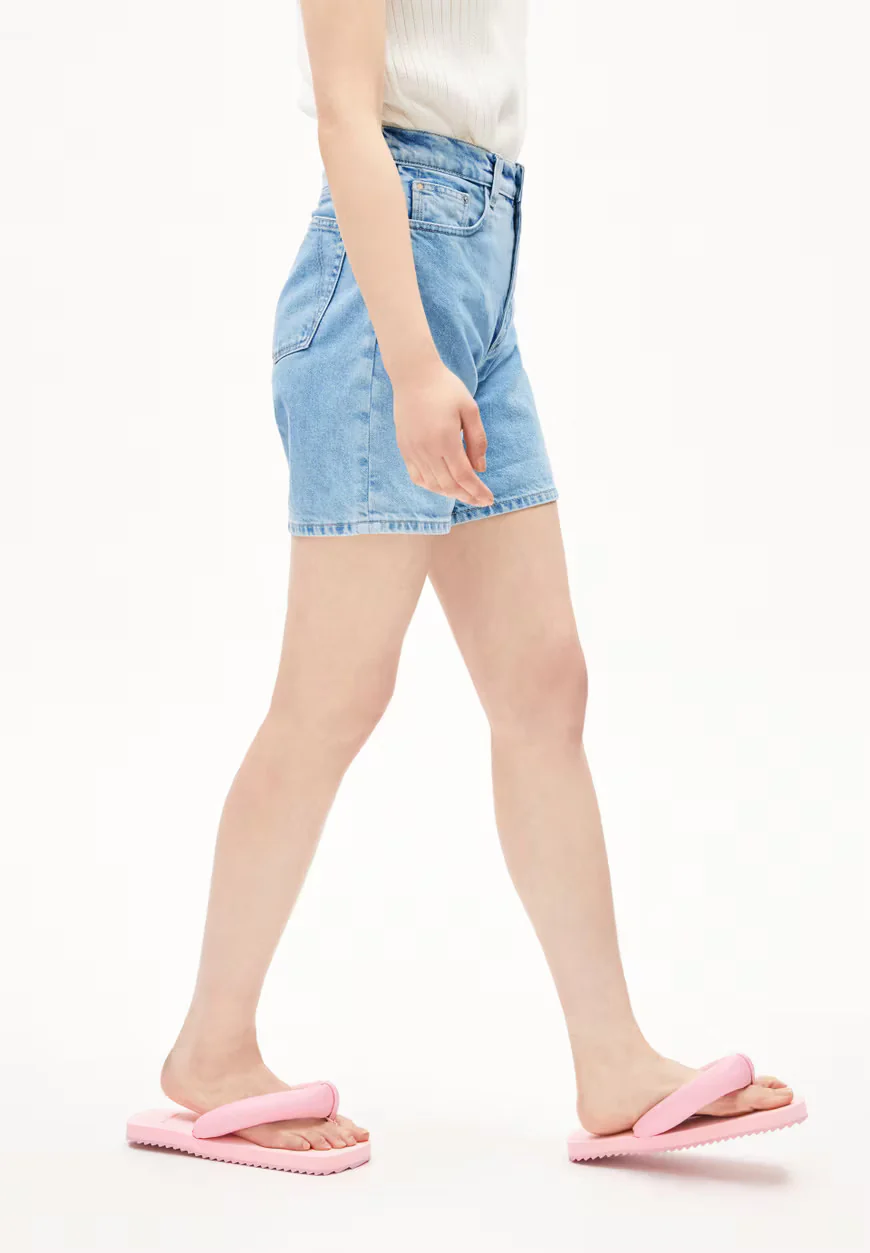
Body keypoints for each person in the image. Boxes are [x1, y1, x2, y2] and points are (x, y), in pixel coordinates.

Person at [127, 0, 802, 1173]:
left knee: (544, 681)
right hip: (390, 288)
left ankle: (612, 1057)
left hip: (480, 271)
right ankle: (212, 1046)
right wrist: (407, 358)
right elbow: (347, 113)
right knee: (332, 693)